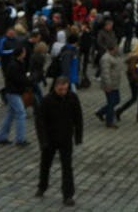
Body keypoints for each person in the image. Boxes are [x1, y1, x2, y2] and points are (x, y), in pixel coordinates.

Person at [35, 76, 83, 207]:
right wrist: (43, 140)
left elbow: (78, 117)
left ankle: (68, 195)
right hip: (50, 138)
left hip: (66, 138)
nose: (63, 92)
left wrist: (78, 136)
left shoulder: (72, 98)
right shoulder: (47, 100)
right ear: (55, 87)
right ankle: (42, 186)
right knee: (45, 164)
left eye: (65, 89)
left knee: (67, 167)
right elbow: (40, 122)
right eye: (61, 89)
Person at [0, 45, 28, 146]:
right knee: (21, 113)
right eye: (24, 52)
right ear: (20, 54)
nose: (25, 53)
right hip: (13, 92)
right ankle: (20, 139)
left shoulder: (17, 63)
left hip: (13, 92)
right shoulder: (14, 65)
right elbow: (18, 79)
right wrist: (27, 80)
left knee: (10, 114)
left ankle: (2, 137)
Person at [115, 41, 138, 123]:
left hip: (134, 81)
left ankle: (119, 111)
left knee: (134, 98)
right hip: (137, 81)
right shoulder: (137, 59)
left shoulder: (132, 57)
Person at [95, 43, 121, 128]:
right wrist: (108, 85)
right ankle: (109, 122)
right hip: (109, 84)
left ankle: (101, 112)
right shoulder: (106, 58)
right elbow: (105, 73)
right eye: (116, 48)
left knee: (116, 100)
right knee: (111, 103)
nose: (118, 49)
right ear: (112, 49)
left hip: (115, 83)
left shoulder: (115, 56)